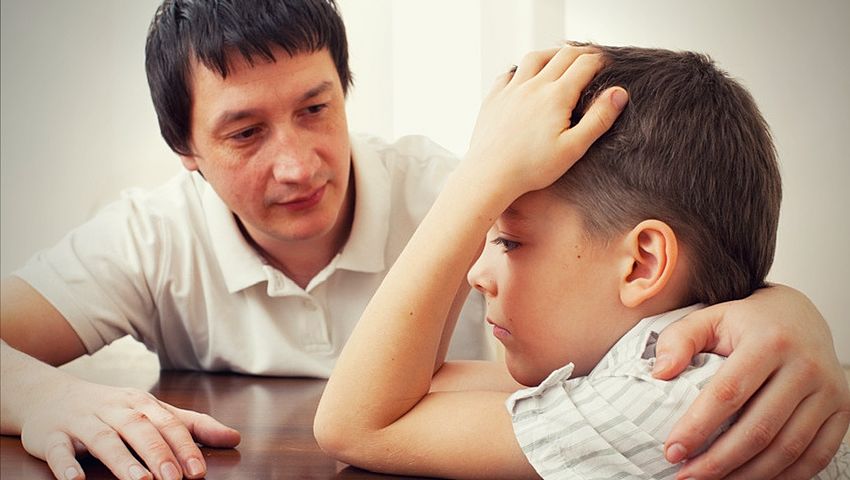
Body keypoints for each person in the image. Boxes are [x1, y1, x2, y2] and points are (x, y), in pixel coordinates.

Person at [0, 1, 845, 478]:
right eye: (245, 133)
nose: (297, 164)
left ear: (346, 91)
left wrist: (782, 309)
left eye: (316, 108)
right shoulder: (150, 236)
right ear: (186, 154)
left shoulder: (483, 192)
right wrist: (40, 397)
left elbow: (687, 264)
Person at [314, 43, 850, 479]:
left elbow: (356, 425)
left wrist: (475, 185)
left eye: (509, 241)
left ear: (641, 263)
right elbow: (413, 390)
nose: (477, 276)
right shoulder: (648, 361)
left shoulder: (659, 400)